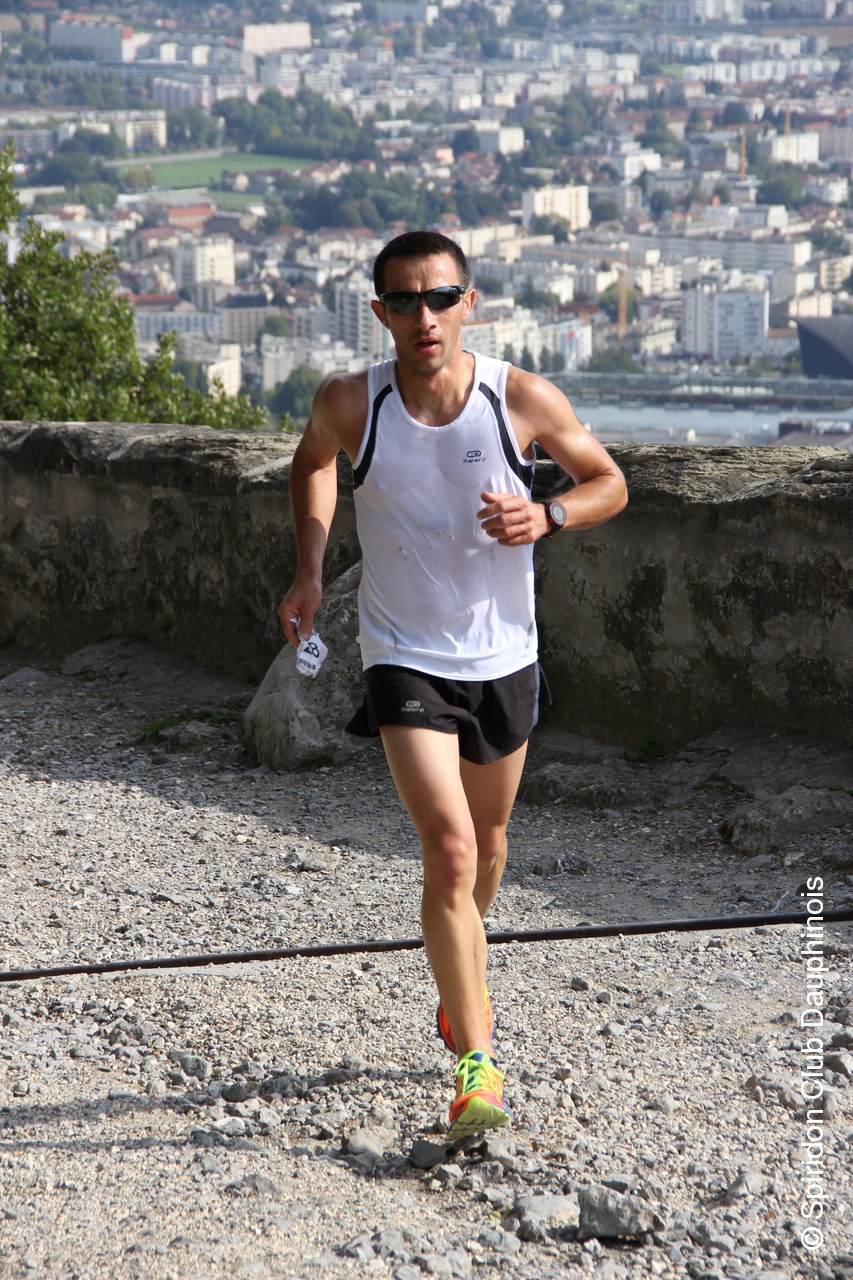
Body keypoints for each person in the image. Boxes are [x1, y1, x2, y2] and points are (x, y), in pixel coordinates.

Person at [279, 230, 627, 1142]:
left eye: (439, 297)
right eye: (403, 300)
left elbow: (609, 483)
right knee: (448, 847)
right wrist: (310, 570)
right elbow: (312, 463)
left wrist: (547, 513)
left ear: (468, 303)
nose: (423, 316)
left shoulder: (519, 399)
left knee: (491, 843)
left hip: (502, 655)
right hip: (401, 653)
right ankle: (477, 1064)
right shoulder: (351, 402)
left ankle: (455, 970)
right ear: (380, 311)